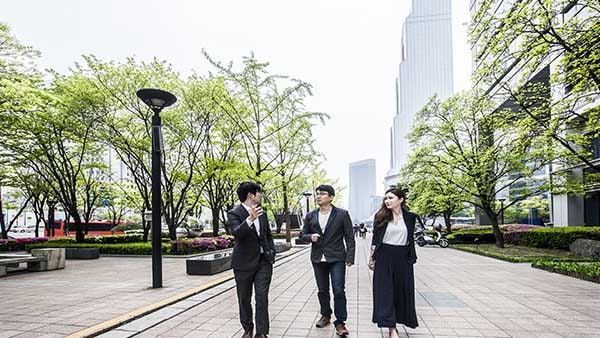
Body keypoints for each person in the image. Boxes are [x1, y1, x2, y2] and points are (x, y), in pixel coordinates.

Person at [301, 184, 355, 336]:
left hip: (337, 258)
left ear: (331, 197)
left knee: (338, 290)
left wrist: (350, 256)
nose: (318, 196)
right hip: (318, 258)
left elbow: (349, 237)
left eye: (322, 194)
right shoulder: (311, 215)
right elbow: (303, 234)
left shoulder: (342, 214)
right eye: (317, 194)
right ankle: (325, 315)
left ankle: (340, 322)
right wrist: (310, 237)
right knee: (322, 290)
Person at [228, 181, 276, 338]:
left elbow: (267, 234)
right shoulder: (234, 213)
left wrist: (271, 252)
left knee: (262, 297)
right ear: (251, 195)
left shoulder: (262, 212)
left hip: (263, 262)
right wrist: (249, 219)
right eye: (259, 193)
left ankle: (261, 333)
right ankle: (248, 328)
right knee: (244, 298)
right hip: (243, 263)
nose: (261, 195)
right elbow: (236, 233)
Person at [368, 187, 418, 337]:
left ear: (401, 200)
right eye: (386, 198)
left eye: (391, 198)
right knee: (385, 292)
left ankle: (399, 320)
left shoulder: (410, 217)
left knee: (401, 291)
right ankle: (391, 328)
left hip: (403, 258)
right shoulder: (380, 216)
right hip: (384, 257)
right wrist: (371, 258)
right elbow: (375, 240)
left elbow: (410, 239)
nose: (387, 201)